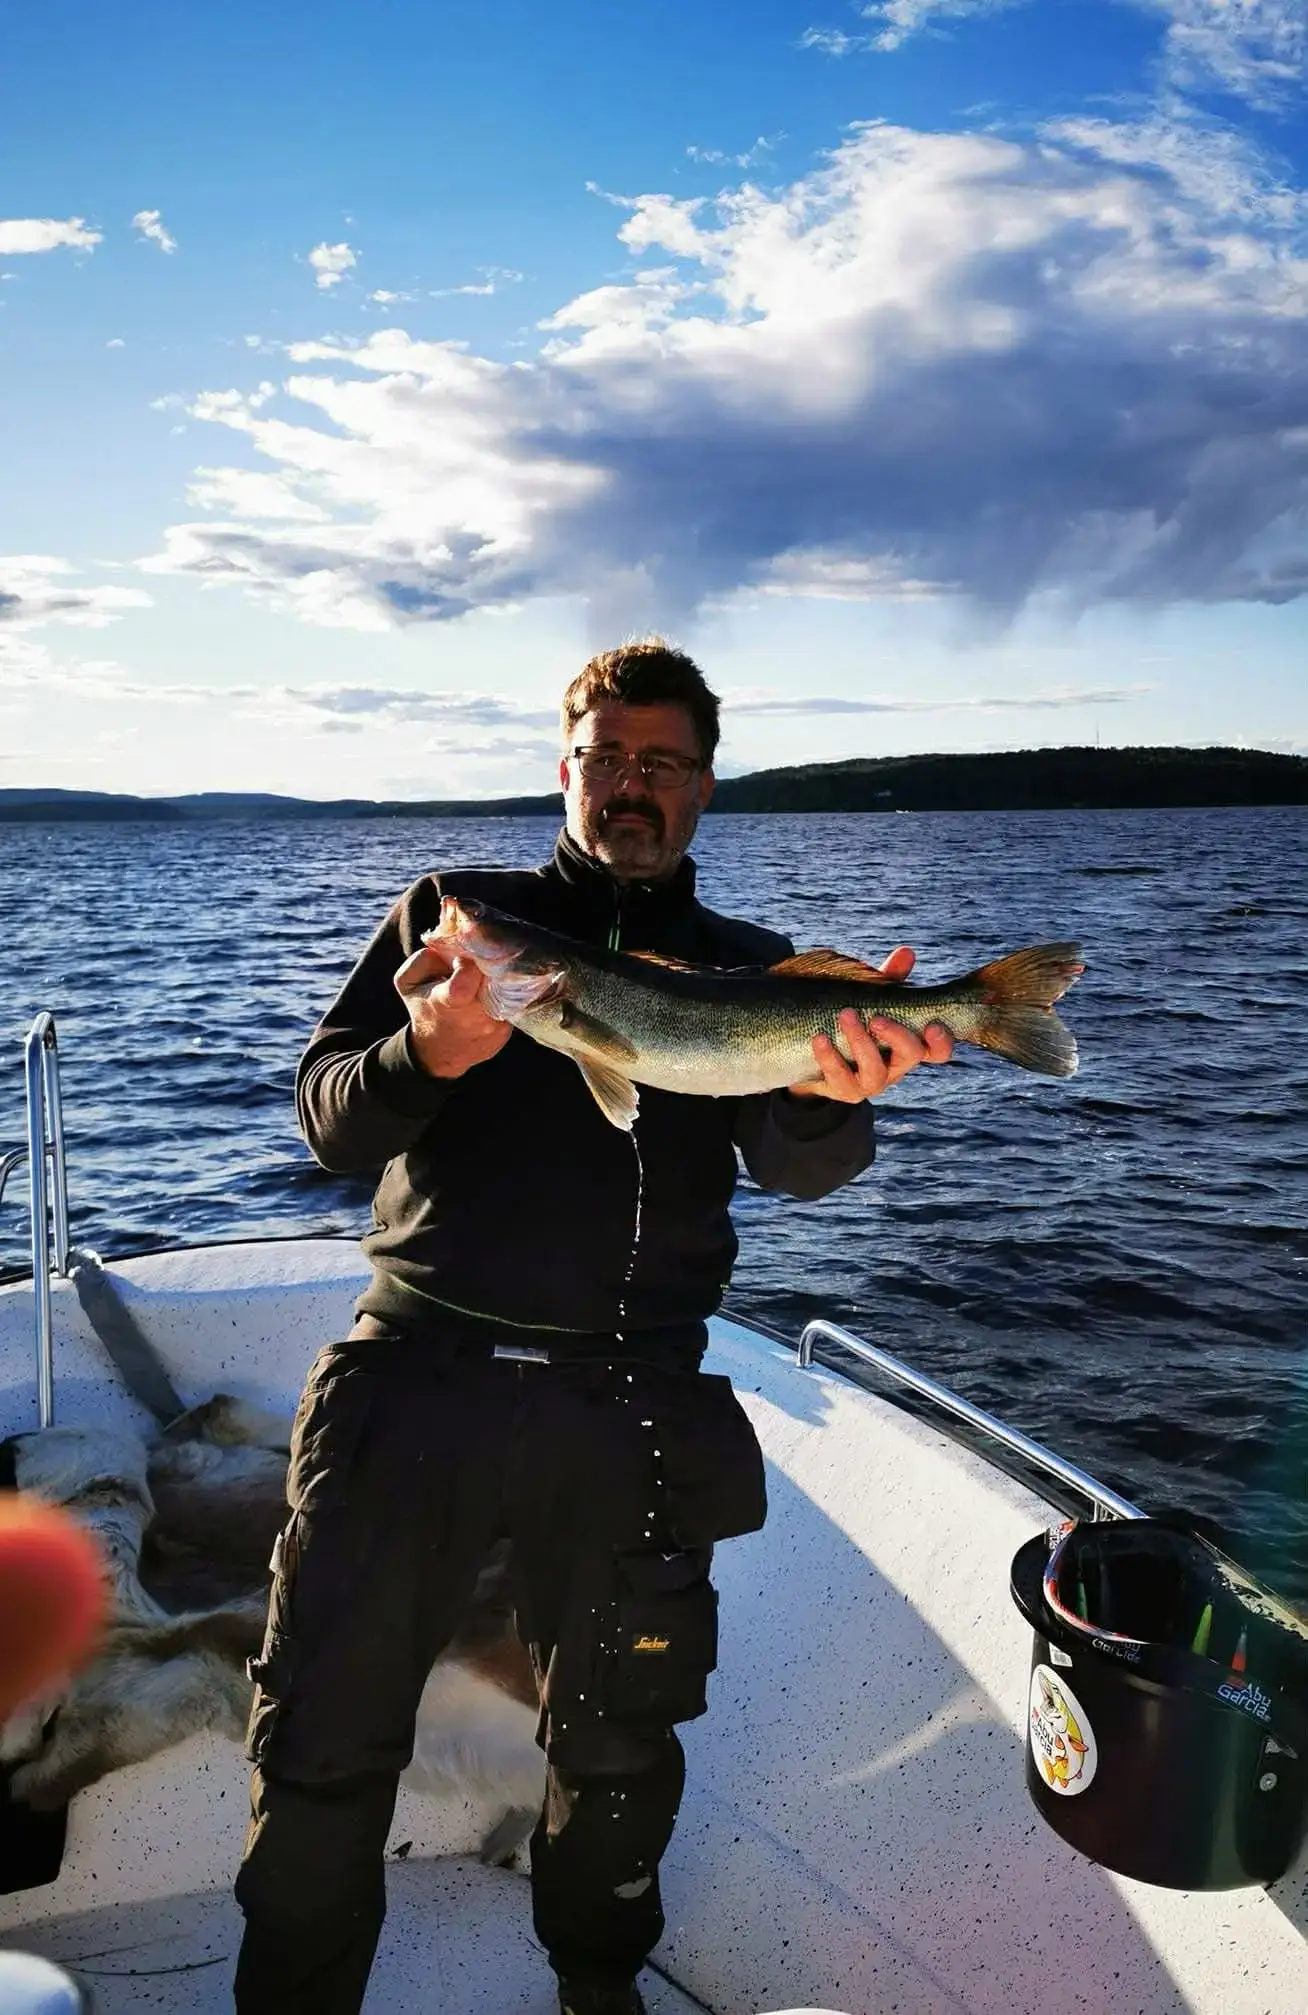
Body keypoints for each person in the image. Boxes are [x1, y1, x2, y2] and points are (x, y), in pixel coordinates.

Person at [232, 639, 953, 2015]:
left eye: (663, 763)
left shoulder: (753, 972)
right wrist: (421, 1055)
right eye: (608, 757)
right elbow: (328, 1120)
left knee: (619, 1759)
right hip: (414, 1377)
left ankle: (598, 1989)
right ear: (564, 768)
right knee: (323, 1737)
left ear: (704, 789)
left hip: (631, 1406)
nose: (633, 784)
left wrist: (834, 1092)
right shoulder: (460, 920)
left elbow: (798, 1169)